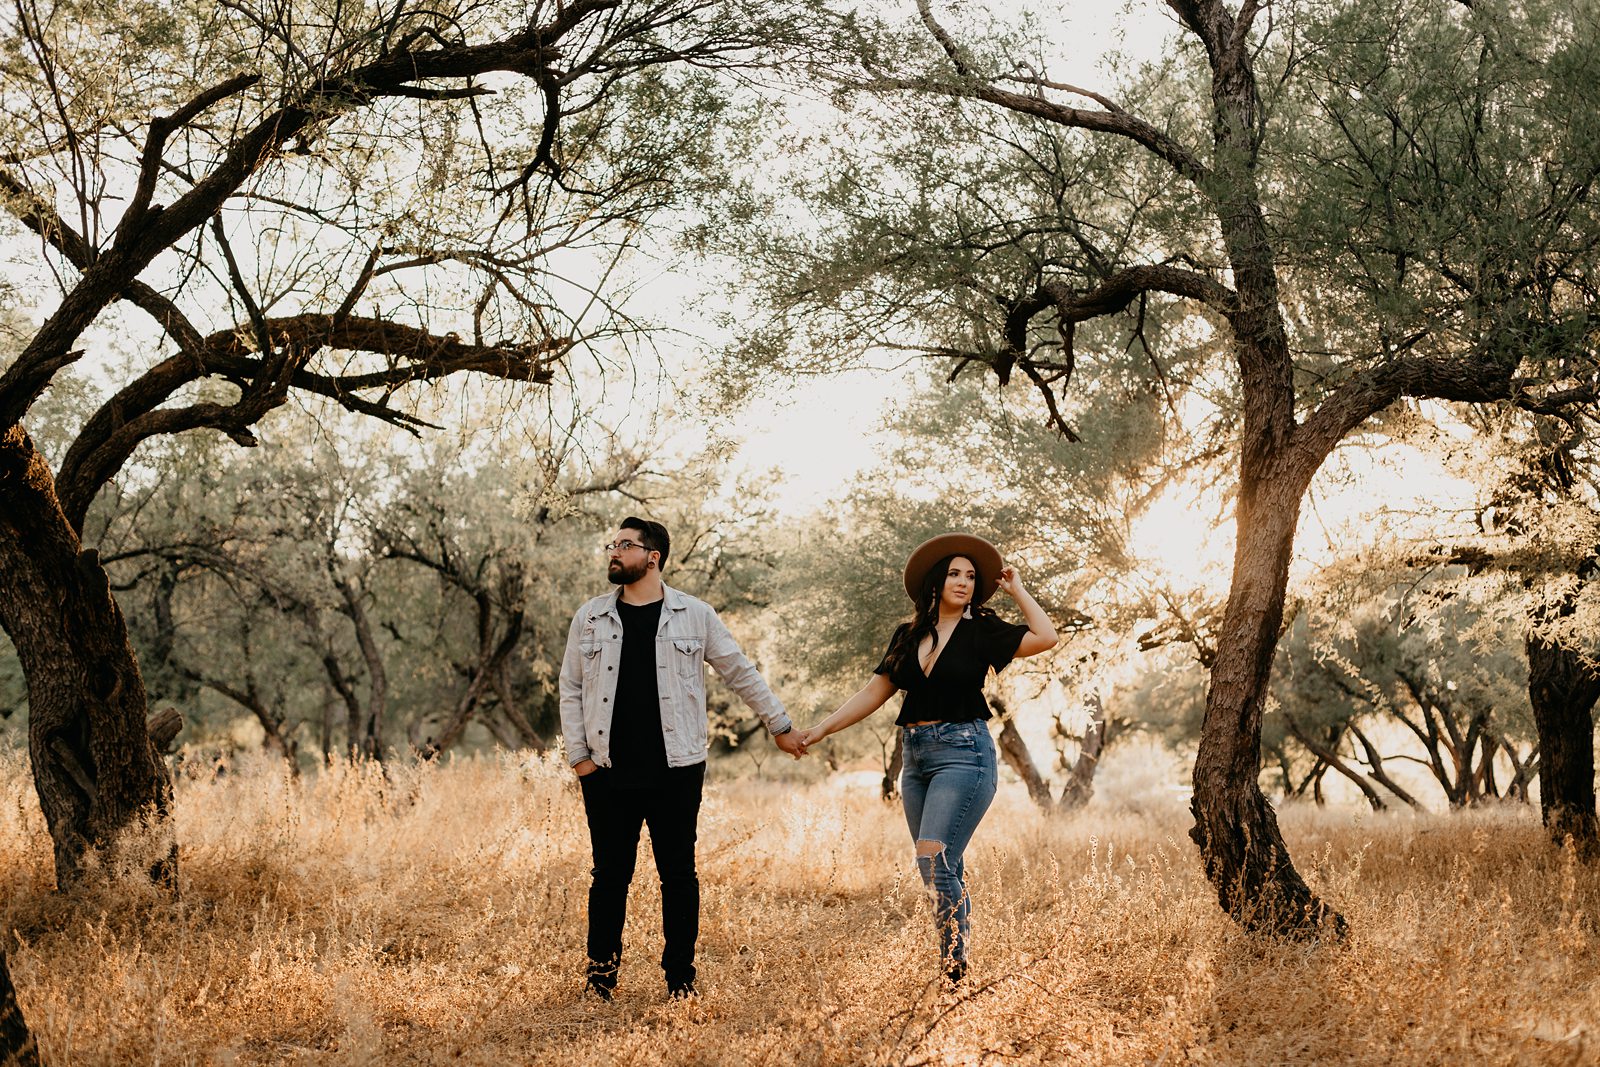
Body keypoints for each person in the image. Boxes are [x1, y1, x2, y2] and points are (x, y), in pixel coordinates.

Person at [560, 516, 806, 1001]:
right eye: (613, 544)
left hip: (677, 770)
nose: (614, 552)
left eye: (625, 545)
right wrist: (580, 760)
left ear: (652, 556)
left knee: (678, 876)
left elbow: (739, 671)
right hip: (606, 772)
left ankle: (680, 980)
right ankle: (599, 982)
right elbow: (570, 687)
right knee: (609, 877)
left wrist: (781, 726)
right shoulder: (589, 617)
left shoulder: (694, 615)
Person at [797, 533, 1057, 984]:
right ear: (935, 582)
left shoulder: (982, 631)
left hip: (964, 754)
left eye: (972, 576)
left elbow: (1046, 636)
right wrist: (820, 729)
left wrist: (1017, 589)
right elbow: (874, 692)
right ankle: (955, 963)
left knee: (935, 861)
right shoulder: (908, 634)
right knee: (937, 867)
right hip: (915, 760)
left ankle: (954, 969)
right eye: (955, 574)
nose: (964, 582)